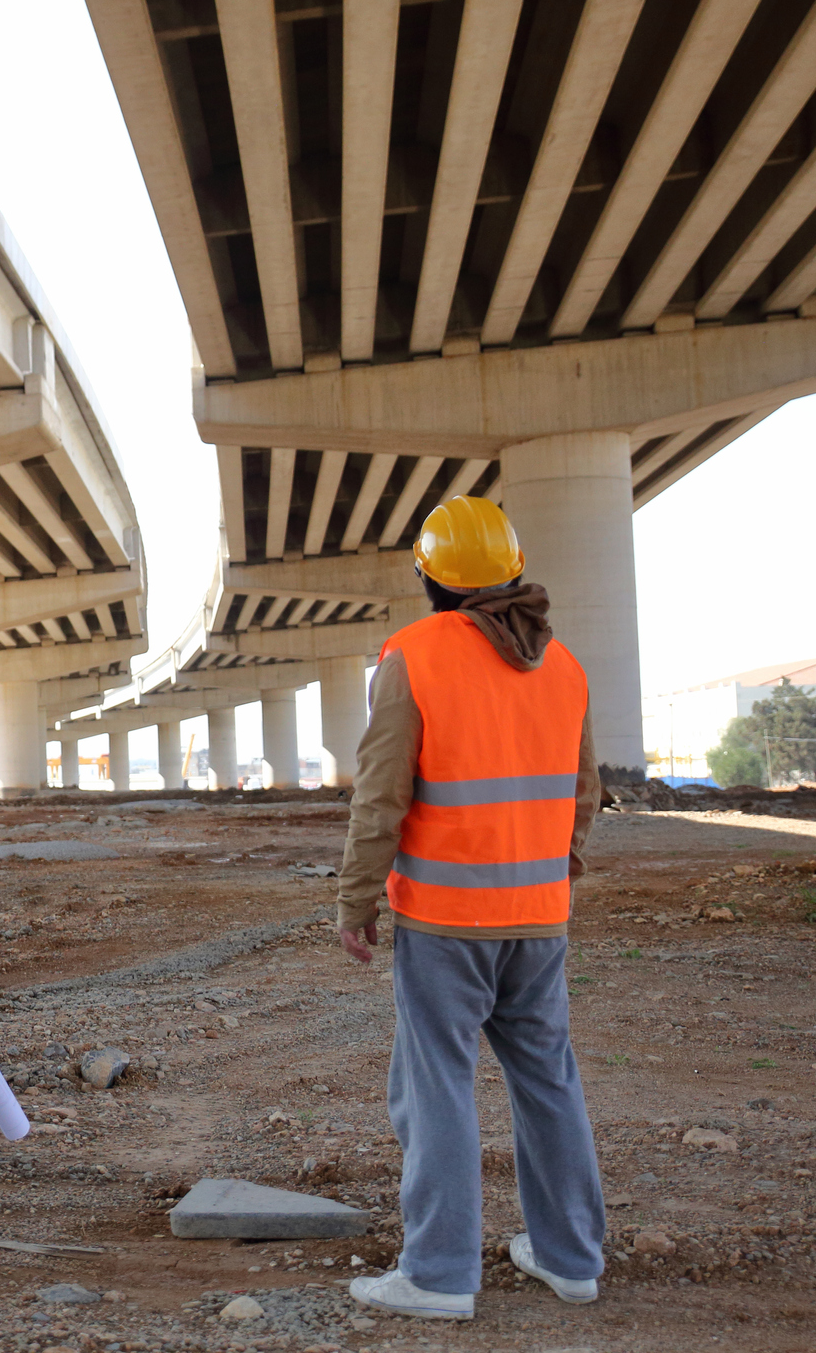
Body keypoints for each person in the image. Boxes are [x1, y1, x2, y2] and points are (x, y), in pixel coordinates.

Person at [337, 495, 606, 1321]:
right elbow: (583, 794)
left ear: (427, 577)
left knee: (438, 1088)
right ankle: (570, 1261)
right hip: (537, 917)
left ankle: (439, 1274)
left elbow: (381, 792)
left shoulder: (410, 655)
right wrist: (552, 877)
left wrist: (356, 897)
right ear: (513, 570)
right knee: (547, 1079)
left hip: (446, 921)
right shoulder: (560, 663)